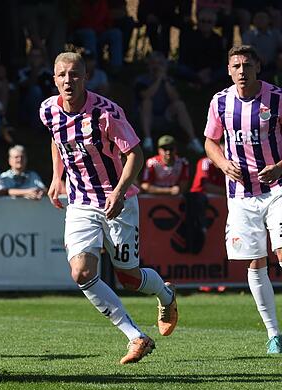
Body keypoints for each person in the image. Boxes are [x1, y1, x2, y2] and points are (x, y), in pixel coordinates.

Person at [42, 52, 178, 365]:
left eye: (74, 74)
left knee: (128, 278)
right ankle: (136, 336)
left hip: (119, 200)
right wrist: (56, 176)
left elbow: (135, 155)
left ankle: (166, 295)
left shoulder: (105, 113)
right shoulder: (48, 110)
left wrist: (117, 192)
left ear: (85, 77)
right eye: (62, 75)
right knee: (81, 272)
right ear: (54, 79)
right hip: (80, 203)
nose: (68, 80)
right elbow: (56, 139)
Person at [204, 45, 282, 354]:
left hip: (277, 188)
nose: (241, 70)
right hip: (240, 194)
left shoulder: (276, 98)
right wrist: (223, 164)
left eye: (247, 65)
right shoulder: (220, 102)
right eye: (235, 65)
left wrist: (278, 166)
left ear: (258, 67)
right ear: (228, 70)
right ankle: (274, 334)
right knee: (255, 260)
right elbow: (211, 141)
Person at [134, 52, 204, 154]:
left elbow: (175, 97)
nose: (157, 67)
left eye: (159, 64)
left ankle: (193, 140)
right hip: (146, 117)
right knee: (147, 103)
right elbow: (146, 95)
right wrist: (158, 80)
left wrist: (165, 80)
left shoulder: (169, 80)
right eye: (154, 63)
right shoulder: (141, 80)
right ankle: (147, 140)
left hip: (165, 116)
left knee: (179, 105)